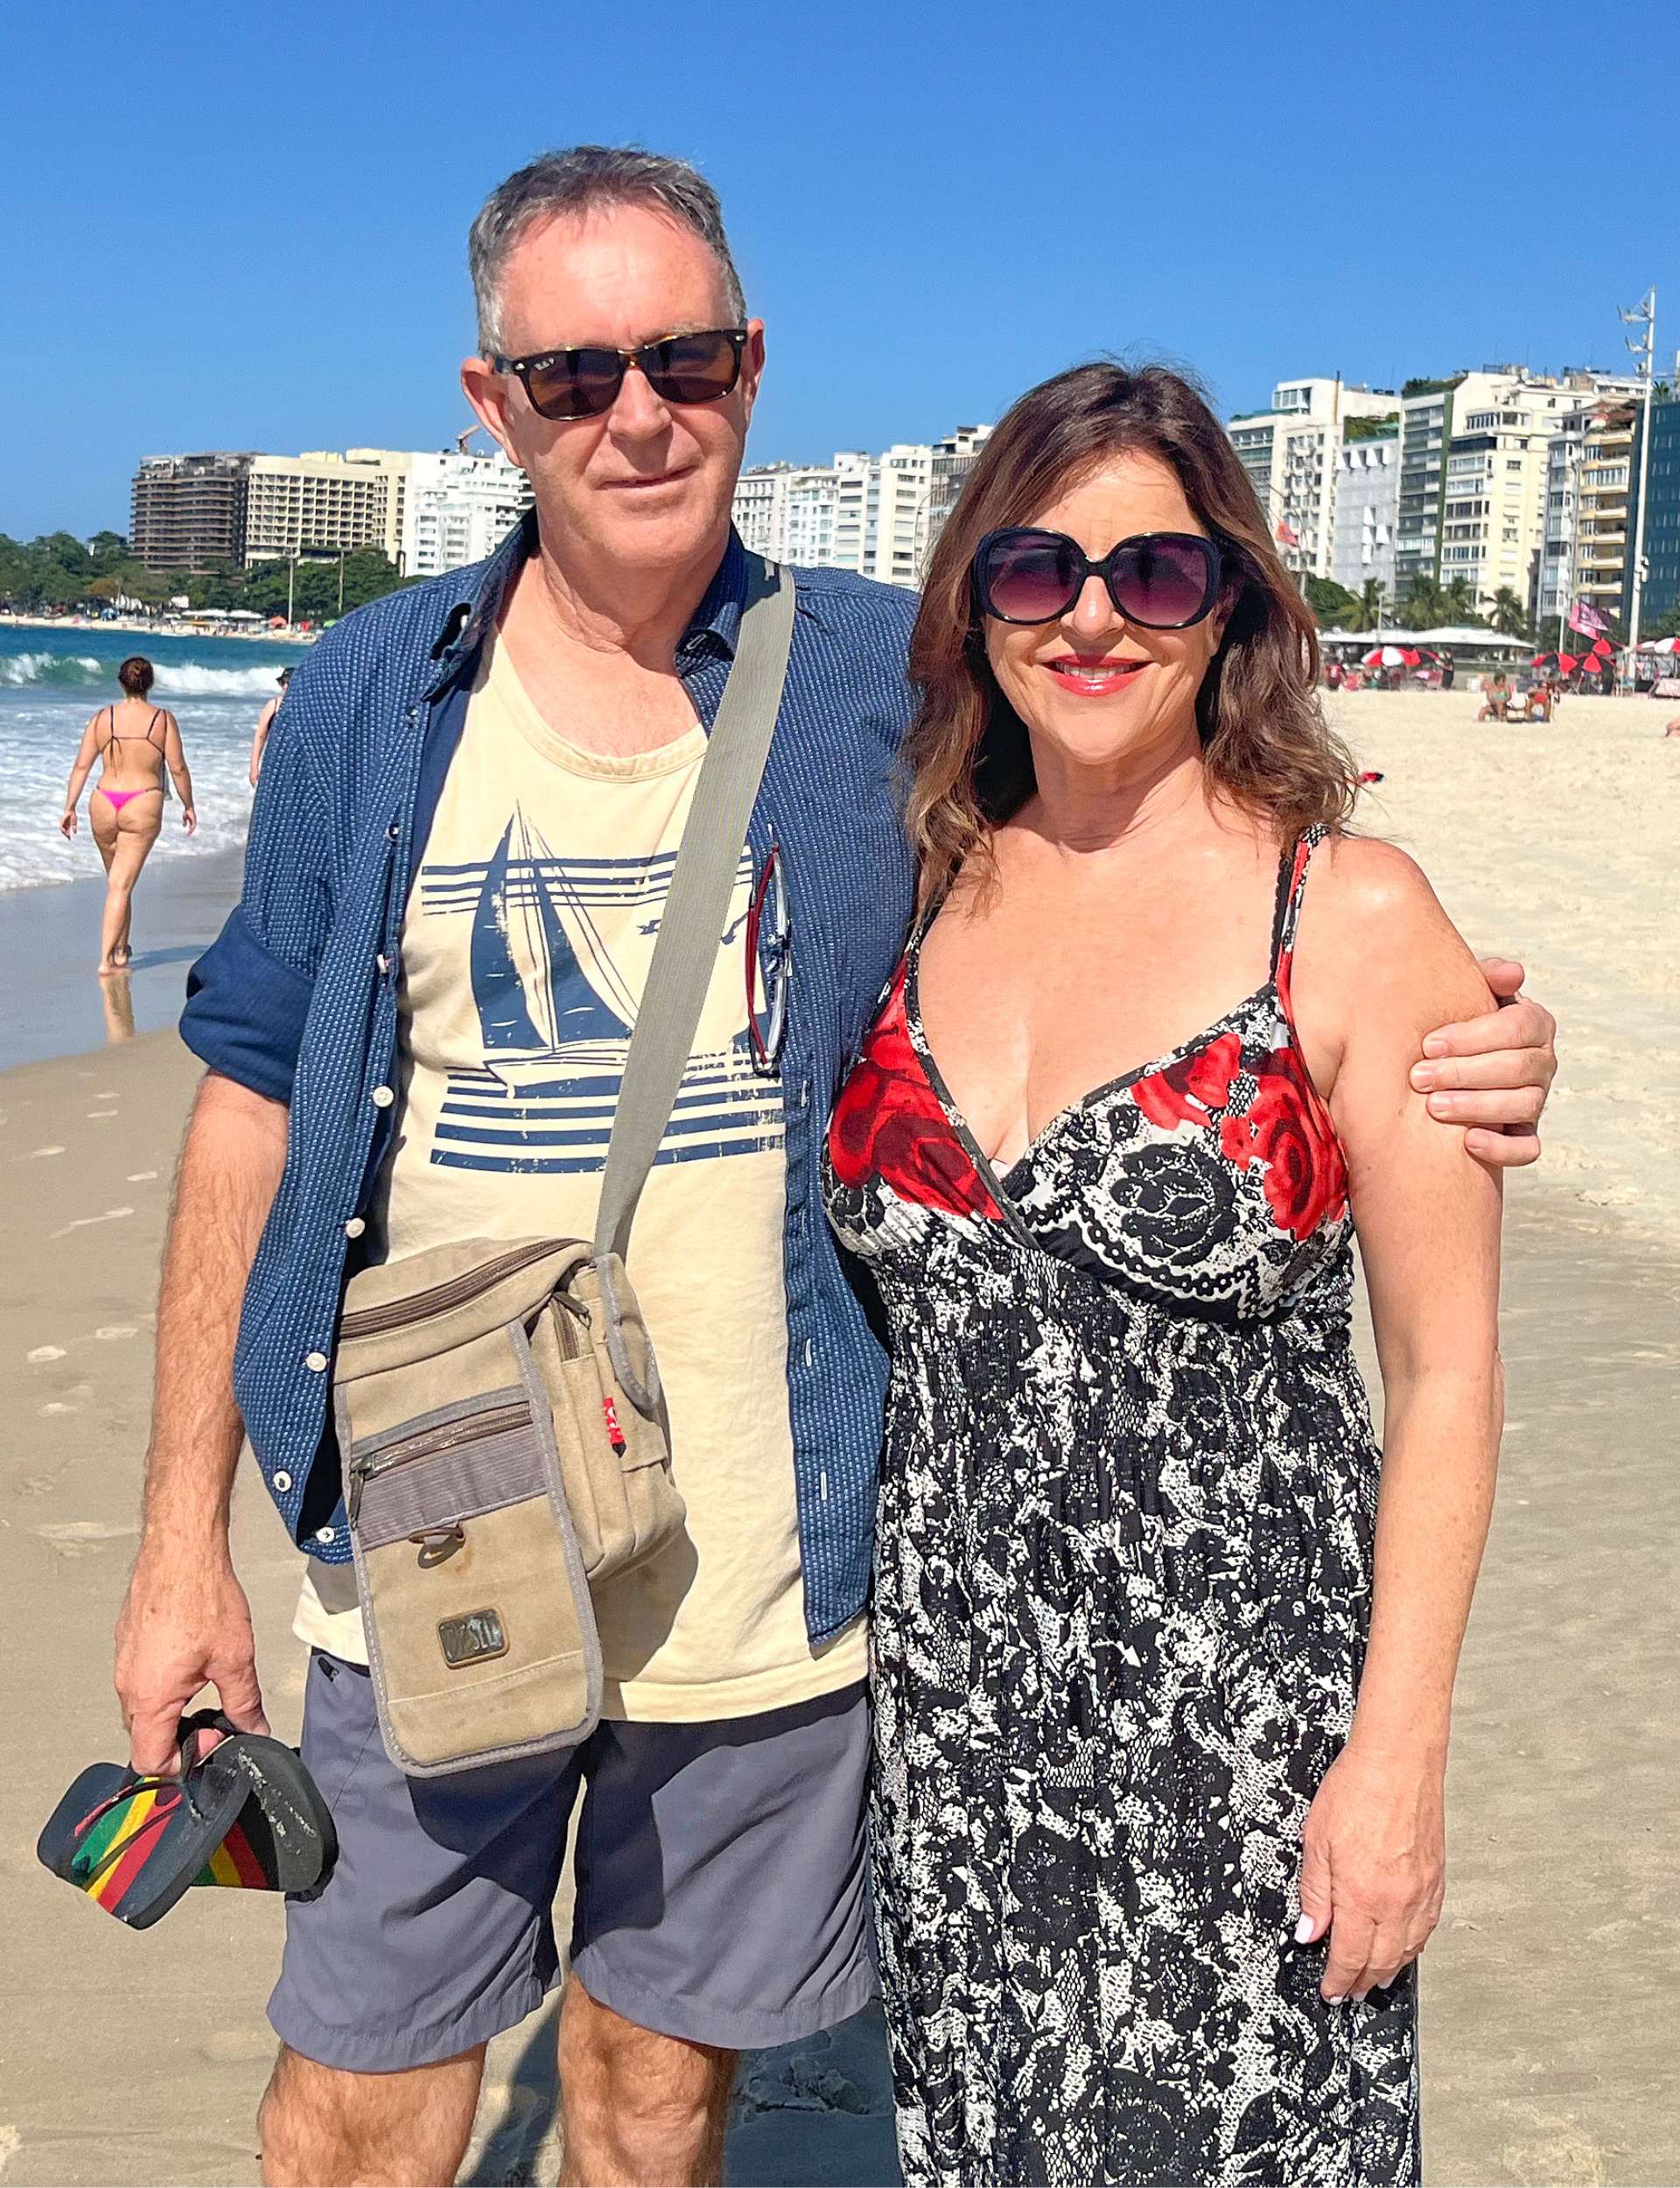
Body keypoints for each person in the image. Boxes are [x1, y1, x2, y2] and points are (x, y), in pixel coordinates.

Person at [111, 150, 1558, 2188]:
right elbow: (254, 1091)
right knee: (353, 2105)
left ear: (753, 366)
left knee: (647, 2106)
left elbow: (1219, 894)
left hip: (785, 1596)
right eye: (572, 371)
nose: (636, 410)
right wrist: (184, 1538)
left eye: (685, 356)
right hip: (445, 1546)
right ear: (489, 398)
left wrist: (1471, 1045)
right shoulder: (375, 693)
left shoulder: (884, 681)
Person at [824, 363, 1505, 2186]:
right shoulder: (924, 882)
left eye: (1160, 574)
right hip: (962, 1735)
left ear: (1236, 607)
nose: (1098, 618)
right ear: (977, 599)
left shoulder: (1350, 913)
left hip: (1253, 1736)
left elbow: (1446, 1375)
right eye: (1040, 571)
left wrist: (1398, 1758)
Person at [59, 655, 195, 973]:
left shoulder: (102, 718)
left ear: (120, 682)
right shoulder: (162, 720)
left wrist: (70, 806)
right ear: (150, 683)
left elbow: (81, 766)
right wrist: (188, 805)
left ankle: (122, 950)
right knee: (120, 885)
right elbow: (178, 768)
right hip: (142, 802)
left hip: (103, 801)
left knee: (119, 881)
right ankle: (106, 961)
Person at [249, 667, 293, 785]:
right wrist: (254, 767)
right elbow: (260, 736)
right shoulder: (273, 705)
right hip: (274, 763)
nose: (284, 686)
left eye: (288, 682)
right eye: (282, 682)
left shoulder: (307, 707)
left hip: (296, 765)